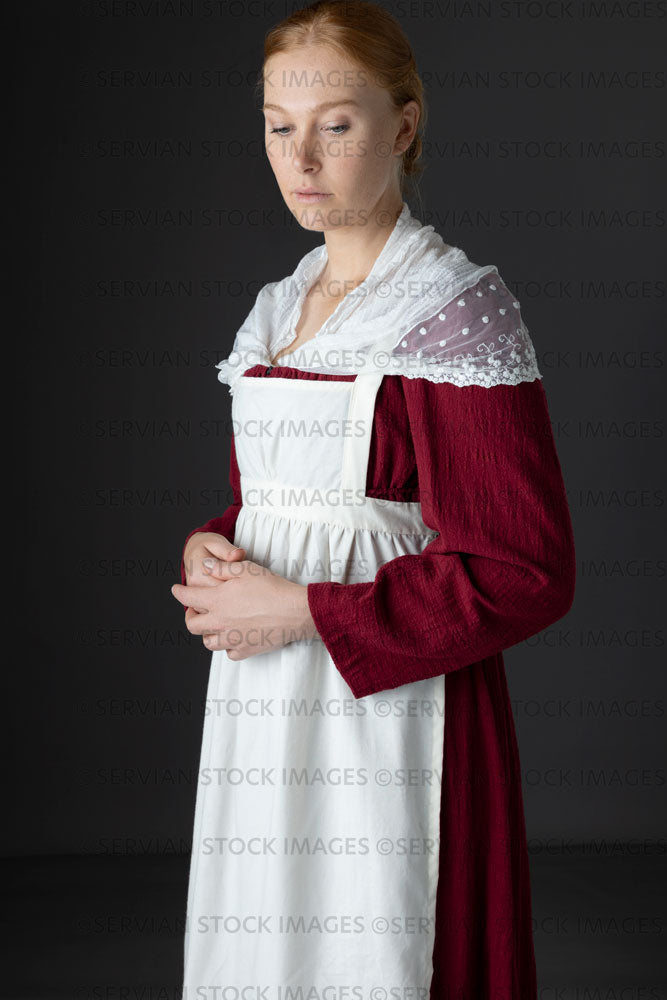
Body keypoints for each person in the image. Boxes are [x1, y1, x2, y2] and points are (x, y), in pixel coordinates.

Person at [171, 2, 576, 995]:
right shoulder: (277, 308)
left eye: (335, 125)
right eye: (278, 126)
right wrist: (215, 546)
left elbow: (523, 571)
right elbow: (287, 503)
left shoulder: (452, 311)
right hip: (265, 709)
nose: (301, 157)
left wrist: (305, 608)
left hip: (393, 713)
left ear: (402, 124)